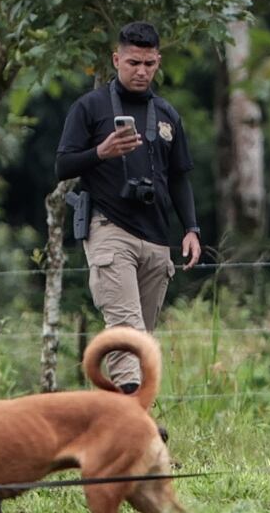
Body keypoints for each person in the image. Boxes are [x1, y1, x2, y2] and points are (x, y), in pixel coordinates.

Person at [55, 22, 203, 394]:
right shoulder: (90, 107)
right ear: (116, 59)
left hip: (156, 236)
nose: (141, 71)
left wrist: (191, 229)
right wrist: (100, 152)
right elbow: (61, 166)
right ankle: (136, 433)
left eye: (149, 64)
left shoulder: (168, 114)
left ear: (158, 62)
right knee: (127, 331)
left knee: (142, 344)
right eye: (133, 62)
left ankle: (113, 433)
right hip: (109, 228)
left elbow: (180, 177)